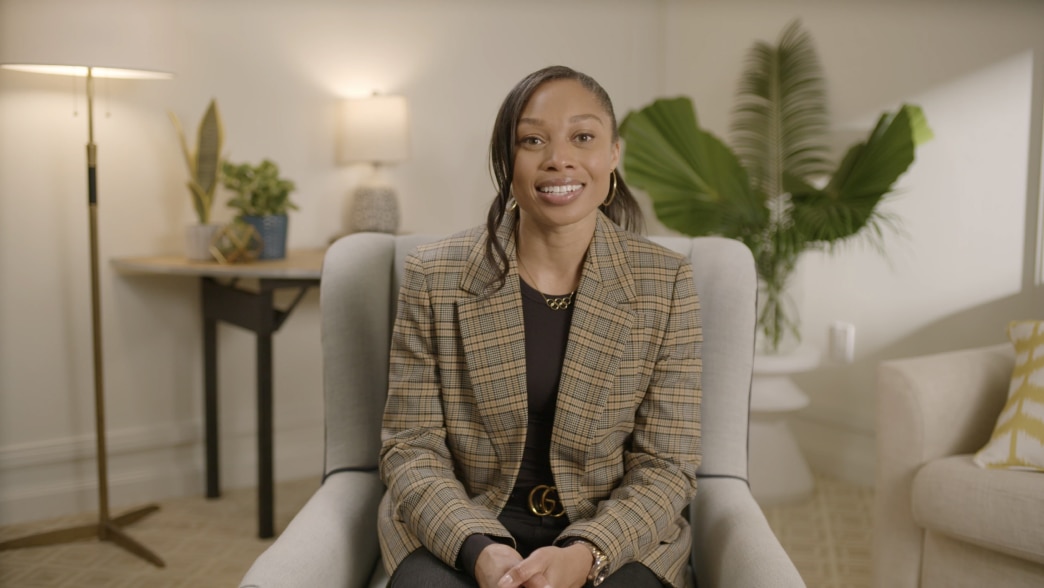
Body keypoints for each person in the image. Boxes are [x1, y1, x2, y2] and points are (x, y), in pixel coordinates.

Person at [378, 65, 702, 588]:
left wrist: (586, 554)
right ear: (508, 161)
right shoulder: (434, 274)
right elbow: (410, 446)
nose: (559, 158)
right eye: (533, 140)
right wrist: (478, 550)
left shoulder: (665, 283)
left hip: (609, 535)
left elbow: (668, 463)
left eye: (583, 137)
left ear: (613, 153)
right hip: (463, 530)